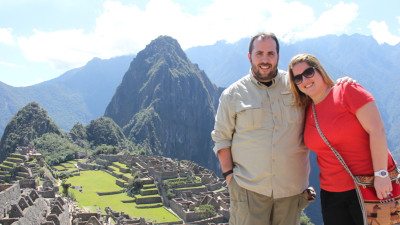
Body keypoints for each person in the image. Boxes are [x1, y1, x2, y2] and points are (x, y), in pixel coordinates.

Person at [211, 32, 311, 225]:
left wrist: (343, 85)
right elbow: (222, 139)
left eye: (270, 54)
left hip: (290, 193)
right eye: (259, 54)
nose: (265, 60)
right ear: (250, 56)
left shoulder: (297, 86)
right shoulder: (232, 95)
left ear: (278, 56)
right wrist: (230, 179)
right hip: (249, 191)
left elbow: (323, 96)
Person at [287, 53, 394, 225]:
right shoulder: (306, 110)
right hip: (332, 195)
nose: (305, 80)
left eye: (308, 72)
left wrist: (381, 174)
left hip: (368, 186)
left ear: (319, 70)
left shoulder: (346, 90)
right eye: (298, 78)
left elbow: (377, 129)